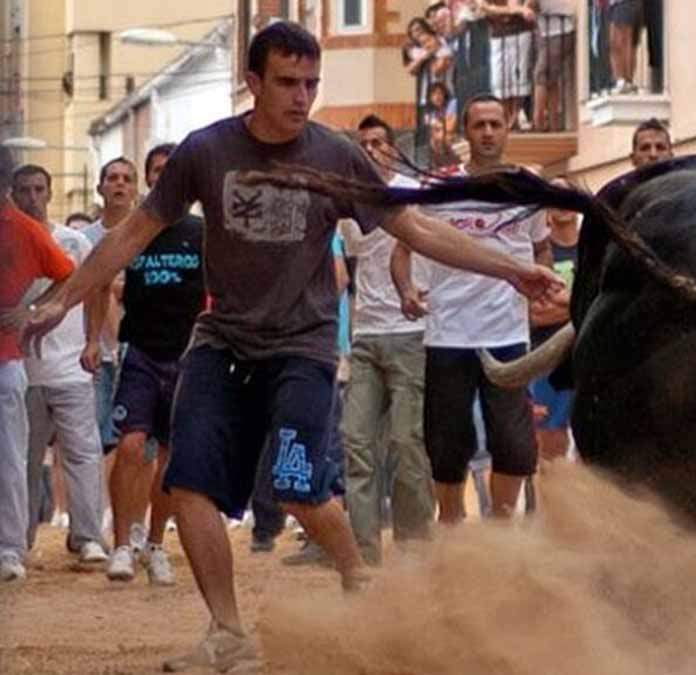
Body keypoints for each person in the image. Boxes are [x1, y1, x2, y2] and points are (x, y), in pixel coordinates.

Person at [15, 22, 559, 671]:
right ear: (253, 82)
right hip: (222, 342)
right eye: (287, 82)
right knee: (189, 481)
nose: (301, 96)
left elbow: (415, 227)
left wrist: (510, 268)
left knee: (298, 484)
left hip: (301, 346)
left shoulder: (336, 156)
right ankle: (227, 631)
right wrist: (63, 297)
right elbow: (131, 234)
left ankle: (362, 585)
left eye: (310, 83)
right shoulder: (206, 151)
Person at [394, 94, 550, 524]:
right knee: (446, 445)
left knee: (515, 445)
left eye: (495, 124)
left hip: (508, 333)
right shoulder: (438, 187)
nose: (487, 133)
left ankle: (500, 528)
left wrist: (543, 287)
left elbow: (541, 247)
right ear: (466, 131)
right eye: (479, 125)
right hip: (449, 333)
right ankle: (450, 523)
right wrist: (407, 291)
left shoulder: (527, 186)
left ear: (507, 130)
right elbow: (402, 247)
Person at [103, 143, 206, 586]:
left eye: (172, 170)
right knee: (130, 446)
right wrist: (95, 339)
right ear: (149, 178)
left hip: (186, 355)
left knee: (170, 458)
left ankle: (156, 545)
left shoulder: (202, 232)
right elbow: (100, 280)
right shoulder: (133, 229)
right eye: (158, 171)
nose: (165, 177)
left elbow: (222, 290)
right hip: (140, 352)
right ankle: (122, 545)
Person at [338, 114, 434, 565]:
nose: (372, 150)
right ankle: (364, 554)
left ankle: (414, 550)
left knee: (406, 443)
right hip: (366, 334)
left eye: (379, 142)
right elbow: (353, 267)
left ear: (394, 149)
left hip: (412, 332)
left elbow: (415, 248)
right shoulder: (351, 205)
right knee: (356, 443)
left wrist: (415, 294)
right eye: (365, 144)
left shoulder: (414, 195)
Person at [11, 164, 108, 566]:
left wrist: (92, 340)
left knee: (83, 451)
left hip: (70, 365)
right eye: (24, 190)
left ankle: (87, 536)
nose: (33, 197)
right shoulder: (8, 241)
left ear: (50, 193)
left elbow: (98, 287)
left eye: (39, 189)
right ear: (12, 195)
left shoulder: (73, 242)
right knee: (23, 459)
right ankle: (19, 537)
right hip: (23, 368)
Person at [0, 145, 77, 583]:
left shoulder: (23, 230)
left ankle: (10, 547)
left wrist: (32, 313)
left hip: (7, 360)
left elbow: (68, 274)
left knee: (11, 458)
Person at [81, 158, 138, 459]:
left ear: (135, 189)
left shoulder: (147, 236)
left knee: (135, 441)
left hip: (138, 352)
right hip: (93, 354)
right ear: (100, 188)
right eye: (113, 178)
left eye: (127, 179)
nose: (119, 183)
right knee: (92, 440)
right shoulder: (84, 240)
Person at [528, 177, 578, 460]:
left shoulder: (595, 247)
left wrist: (561, 303)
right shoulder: (538, 253)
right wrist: (585, 303)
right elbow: (534, 312)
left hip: (588, 356)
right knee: (549, 447)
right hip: (548, 359)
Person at [478, 0, 538, 129]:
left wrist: (519, 8)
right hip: (498, 35)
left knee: (520, 74)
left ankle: (515, 115)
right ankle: (506, 114)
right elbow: (485, 8)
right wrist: (517, 10)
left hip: (521, 31)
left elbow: (528, 4)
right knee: (499, 78)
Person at [532, 0, 575, 131]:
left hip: (559, 30)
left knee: (541, 74)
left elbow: (530, 4)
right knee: (550, 78)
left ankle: (538, 121)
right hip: (550, 31)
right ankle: (553, 123)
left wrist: (519, 9)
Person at [606, 0, 643, 94]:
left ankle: (624, 81)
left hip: (623, 3)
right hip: (618, 4)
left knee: (620, 41)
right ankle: (625, 82)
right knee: (623, 41)